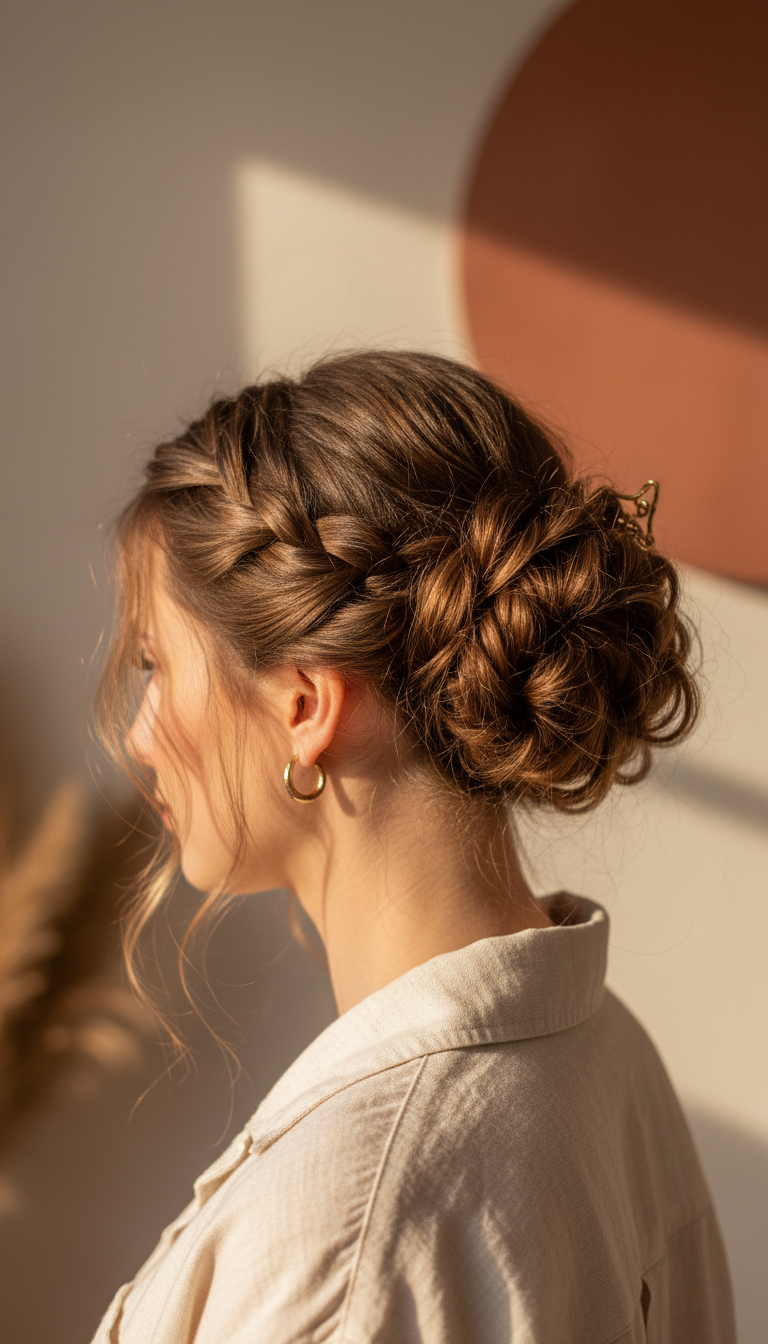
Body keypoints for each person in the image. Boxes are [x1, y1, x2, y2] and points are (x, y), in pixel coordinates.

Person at [91, 351, 735, 1343]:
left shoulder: (343, 1234)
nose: (141, 734)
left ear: (305, 707)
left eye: (155, 668)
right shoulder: (607, 1055)